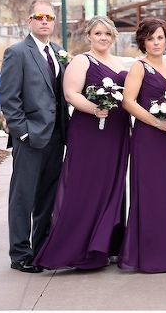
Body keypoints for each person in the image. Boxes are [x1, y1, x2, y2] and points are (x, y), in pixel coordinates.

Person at [33, 16, 130, 270]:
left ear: (113, 37)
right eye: (98, 33)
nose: (103, 38)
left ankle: (106, 245)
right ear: (89, 35)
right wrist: (95, 109)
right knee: (85, 186)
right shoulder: (82, 60)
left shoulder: (120, 62)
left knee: (112, 186)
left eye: (108, 34)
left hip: (117, 132)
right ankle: (74, 249)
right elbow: (70, 94)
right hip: (90, 132)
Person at [0, 0, 69, 273]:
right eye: (39, 16)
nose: (45, 21)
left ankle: (40, 248)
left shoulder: (58, 51)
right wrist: (23, 133)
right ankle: (20, 254)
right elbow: (9, 98)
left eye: (49, 17)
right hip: (30, 138)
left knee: (47, 197)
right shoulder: (16, 53)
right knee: (23, 196)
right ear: (29, 20)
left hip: (56, 136)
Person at [118, 18, 166, 273]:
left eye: (160, 37)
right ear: (142, 41)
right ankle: (148, 256)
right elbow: (129, 102)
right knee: (149, 194)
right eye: (150, 38)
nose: (156, 42)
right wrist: (157, 123)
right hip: (148, 137)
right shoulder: (139, 67)